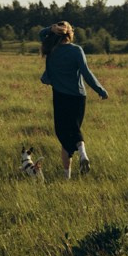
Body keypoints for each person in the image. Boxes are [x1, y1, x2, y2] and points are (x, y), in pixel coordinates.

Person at [39, 20, 108, 179]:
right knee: (74, 129)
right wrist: (100, 90)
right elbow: (86, 73)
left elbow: (41, 34)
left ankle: (69, 173)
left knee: (63, 134)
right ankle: (81, 155)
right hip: (78, 97)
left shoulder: (52, 50)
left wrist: (51, 28)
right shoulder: (77, 50)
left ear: (55, 34)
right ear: (70, 34)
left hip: (60, 96)